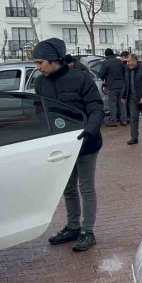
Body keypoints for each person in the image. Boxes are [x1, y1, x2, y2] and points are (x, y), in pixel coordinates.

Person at [32, 38, 105, 252]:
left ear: (54, 60)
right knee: (68, 187)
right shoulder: (40, 82)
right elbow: (40, 112)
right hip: (61, 145)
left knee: (86, 186)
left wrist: (90, 130)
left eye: (40, 62)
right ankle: (73, 227)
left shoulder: (81, 79)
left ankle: (87, 231)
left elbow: (96, 108)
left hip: (86, 142)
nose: (37, 67)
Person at [121, 54, 142, 144]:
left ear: (135, 61)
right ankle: (134, 137)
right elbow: (126, 84)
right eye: (127, 61)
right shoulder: (127, 70)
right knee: (133, 117)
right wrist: (123, 96)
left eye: (129, 61)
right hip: (132, 98)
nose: (127, 63)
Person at [100, 48, 127, 127]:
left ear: (106, 55)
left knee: (112, 104)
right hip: (122, 85)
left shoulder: (105, 62)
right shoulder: (120, 62)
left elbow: (101, 74)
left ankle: (113, 121)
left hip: (112, 86)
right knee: (122, 103)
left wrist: (104, 79)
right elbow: (124, 72)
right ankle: (124, 120)